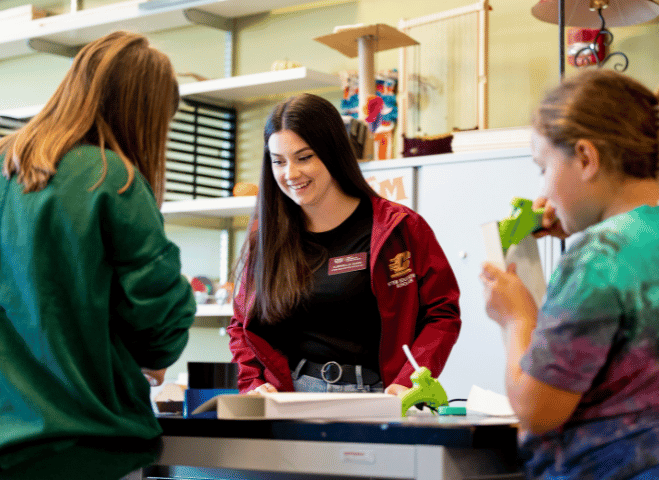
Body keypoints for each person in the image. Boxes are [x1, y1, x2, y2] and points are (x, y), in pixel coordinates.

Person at [480, 68, 659, 480]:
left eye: (544, 167)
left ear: (587, 158)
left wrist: (516, 319)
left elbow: (537, 411)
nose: (545, 189)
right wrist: (587, 212)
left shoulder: (596, 259)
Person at [0, 31, 196, 479]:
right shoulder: (112, 177)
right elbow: (159, 314)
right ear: (143, 113)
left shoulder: (5, 165)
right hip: (81, 444)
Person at [227, 93, 461, 395]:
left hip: (382, 395)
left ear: (332, 151)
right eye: (278, 162)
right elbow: (240, 326)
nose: (291, 174)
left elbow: (442, 314)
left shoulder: (400, 228)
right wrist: (253, 384)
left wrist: (411, 381)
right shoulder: (267, 238)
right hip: (292, 397)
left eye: (304, 157)